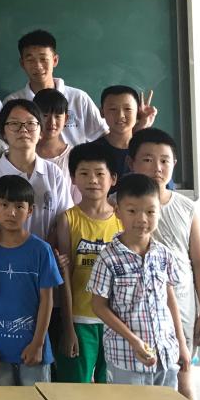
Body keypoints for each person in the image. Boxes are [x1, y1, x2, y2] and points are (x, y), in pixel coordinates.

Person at [127, 128, 200, 400]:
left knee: (184, 380)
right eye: (148, 159)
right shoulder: (118, 206)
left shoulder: (186, 208)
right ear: (131, 163)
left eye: (165, 160)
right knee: (137, 391)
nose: (157, 167)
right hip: (134, 313)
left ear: (174, 164)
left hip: (182, 309)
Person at [89, 173, 191, 388]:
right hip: (126, 358)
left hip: (165, 355)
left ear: (159, 211)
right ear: (118, 212)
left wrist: (181, 344)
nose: (142, 219)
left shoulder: (163, 254)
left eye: (150, 211)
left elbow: (169, 299)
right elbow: (98, 306)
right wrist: (133, 340)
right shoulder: (108, 258)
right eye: (132, 211)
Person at [0, 175, 63, 386]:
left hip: (32, 347)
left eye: (19, 206)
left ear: (30, 210)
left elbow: (47, 300)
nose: (11, 212)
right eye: (4, 205)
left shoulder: (41, 250)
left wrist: (38, 343)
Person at [53, 143, 121, 384]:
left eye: (100, 173)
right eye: (84, 173)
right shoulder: (67, 219)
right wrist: (68, 327)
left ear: (113, 179)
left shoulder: (123, 219)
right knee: (75, 386)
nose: (92, 180)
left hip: (116, 320)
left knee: (112, 388)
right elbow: (66, 276)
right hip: (80, 319)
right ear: (73, 178)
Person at [0, 99, 73, 241]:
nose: (23, 130)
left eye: (30, 123)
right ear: (3, 132)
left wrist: (45, 248)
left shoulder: (54, 172)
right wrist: (14, 249)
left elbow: (63, 218)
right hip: (5, 252)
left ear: (41, 131)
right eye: (14, 124)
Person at [3, 30, 106, 145]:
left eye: (43, 59)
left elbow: (102, 135)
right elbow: (4, 143)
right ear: (22, 63)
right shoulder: (13, 102)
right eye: (30, 60)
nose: (38, 66)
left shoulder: (79, 98)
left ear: (55, 60)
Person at [90, 86, 168, 186]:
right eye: (113, 109)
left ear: (137, 112)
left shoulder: (149, 150)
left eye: (127, 109)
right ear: (101, 112)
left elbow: (164, 188)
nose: (120, 115)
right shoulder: (92, 152)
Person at [33, 88, 78, 203]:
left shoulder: (74, 157)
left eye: (58, 116)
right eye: (45, 115)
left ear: (66, 118)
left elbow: (77, 201)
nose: (52, 122)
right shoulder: (26, 153)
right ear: (34, 117)